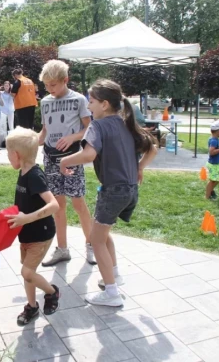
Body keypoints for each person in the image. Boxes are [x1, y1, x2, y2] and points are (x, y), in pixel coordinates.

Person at [60, 79, 157, 307]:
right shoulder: (125, 123)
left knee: (96, 239)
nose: (88, 106)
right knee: (101, 233)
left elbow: (88, 155)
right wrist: (139, 167)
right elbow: (153, 147)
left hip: (113, 191)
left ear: (104, 104)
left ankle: (111, 293)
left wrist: (65, 160)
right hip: (130, 190)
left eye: (91, 101)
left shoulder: (98, 126)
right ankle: (114, 274)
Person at [37, 60, 95, 266]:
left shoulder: (79, 100)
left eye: (53, 84)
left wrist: (74, 137)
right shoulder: (45, 102)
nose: (49, 89)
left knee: (78, 202)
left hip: (72, 158)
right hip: (50, 159)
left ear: (65, 80)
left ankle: (91, 246)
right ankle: (62, 249)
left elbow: (90, 128)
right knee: (57, 205)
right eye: (46, 85)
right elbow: (45, 131)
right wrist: (30, 142)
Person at [5, 127, 61, 325]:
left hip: (41, 234)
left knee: (27, 272)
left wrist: (26, 218)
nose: (7, 157)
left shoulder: (35, 176)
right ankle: (32, 306)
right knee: (27, 272)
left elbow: (54, 204)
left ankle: (52, 292)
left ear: (17, 154)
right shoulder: (23, 170)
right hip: (26, 234)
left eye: (8, 153)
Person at [205, 121, 219, 200]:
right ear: (217, 131)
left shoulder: (216, 139)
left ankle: (210, 189)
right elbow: (211, 152)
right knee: (213, 180)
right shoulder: (214, 140)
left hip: (218, 163)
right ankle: (207, 196)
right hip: (214, 164)